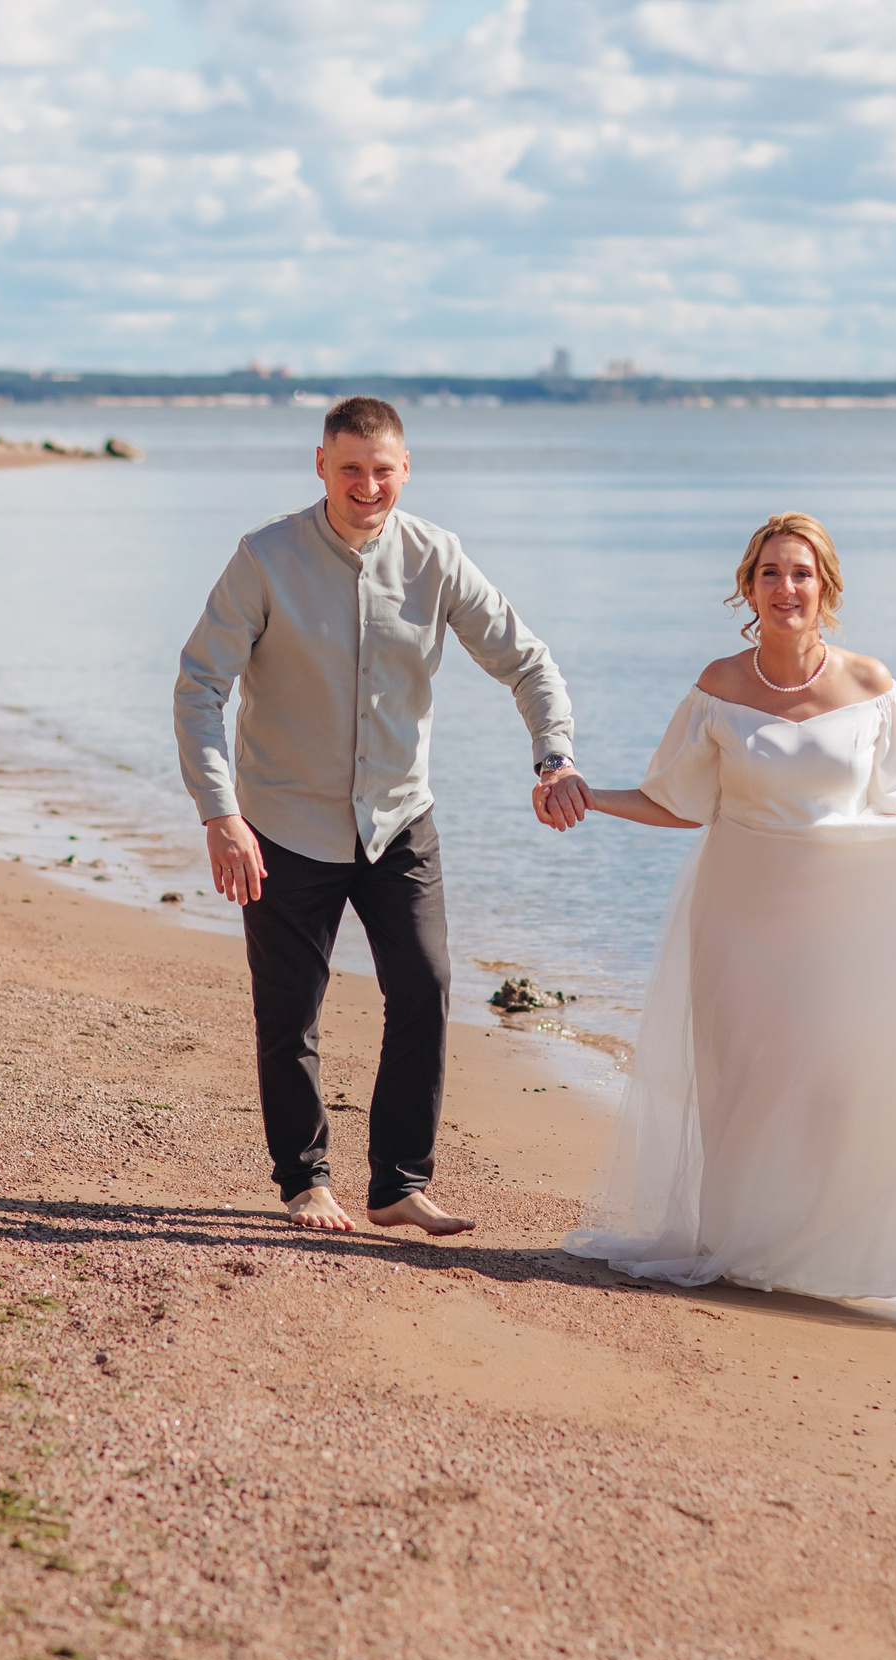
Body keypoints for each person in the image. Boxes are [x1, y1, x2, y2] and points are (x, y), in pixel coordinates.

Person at [548, 512, 896, 1297]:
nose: (785, 587)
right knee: (746, 1082)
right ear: (748, 586)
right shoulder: (719, 685)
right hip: (738, 915)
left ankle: (836, 1251)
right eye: (770, 573)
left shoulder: (870, 684)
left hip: (840, 920)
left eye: (800, 573)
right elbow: (679, 802)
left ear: (826, 587)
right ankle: (743, 1248)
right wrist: (588, 795)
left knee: (837, 1084)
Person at [175, 396, 588, 1234]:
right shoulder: (265, 559)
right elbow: (199, 689)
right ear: (321, 465)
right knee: (290, 1011)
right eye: (352, 468)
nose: (368, 485)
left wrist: (553, 756)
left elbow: (527, 662)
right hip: (282, 825)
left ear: (406, 472)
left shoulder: (437, 557)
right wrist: (221, 815)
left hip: (399, 819)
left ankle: (397, 1183)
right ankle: (306, 1182)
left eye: (384, 470)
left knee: (426, 987)